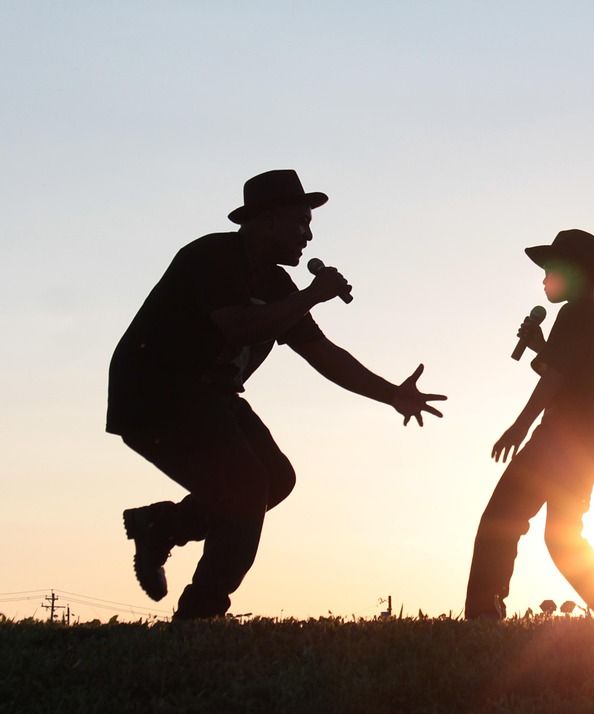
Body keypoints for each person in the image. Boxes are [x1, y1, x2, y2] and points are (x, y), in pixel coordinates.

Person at [107, 169, 445, 619]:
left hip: (211, 398)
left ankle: (162, 526)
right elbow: (241, 324)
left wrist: (392, 395)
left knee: (275, 480)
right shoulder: (211, 257)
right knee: (246, 487)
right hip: (155, 395)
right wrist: (311, 296)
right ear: (264, 221)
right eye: (299, 223)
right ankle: (200, 615)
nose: (308, 235)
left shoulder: (277, 286)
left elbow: (323, 354)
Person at [465, 229, 594, 620]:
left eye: (551, 269)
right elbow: (577, 375)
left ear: (576, 273)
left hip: (559, 441)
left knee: (500, 519)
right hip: (592, 445)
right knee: (562, 538)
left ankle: (482, 614)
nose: (544, 278)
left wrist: (519, 427)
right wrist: (541, 347)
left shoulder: (575, 314)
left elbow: (556, 379)